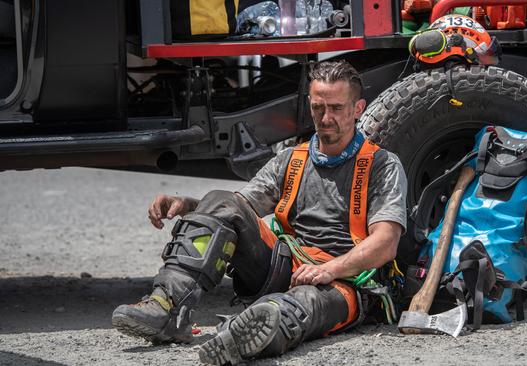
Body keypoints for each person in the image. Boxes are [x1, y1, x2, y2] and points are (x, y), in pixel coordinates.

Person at [111, 60, 407, 365]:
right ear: (309, 104)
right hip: (285, 266)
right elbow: (236, 209)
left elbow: (386, 242)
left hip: (345, 282)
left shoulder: (382, 165)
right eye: (318, 107)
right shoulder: (291, 159)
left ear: (358, 108)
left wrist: (329, 270)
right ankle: (167, 306)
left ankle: (252, 331)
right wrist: (186, 205)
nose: (325, 117)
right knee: (221, 199)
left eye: (336, 107)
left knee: (305, 302)